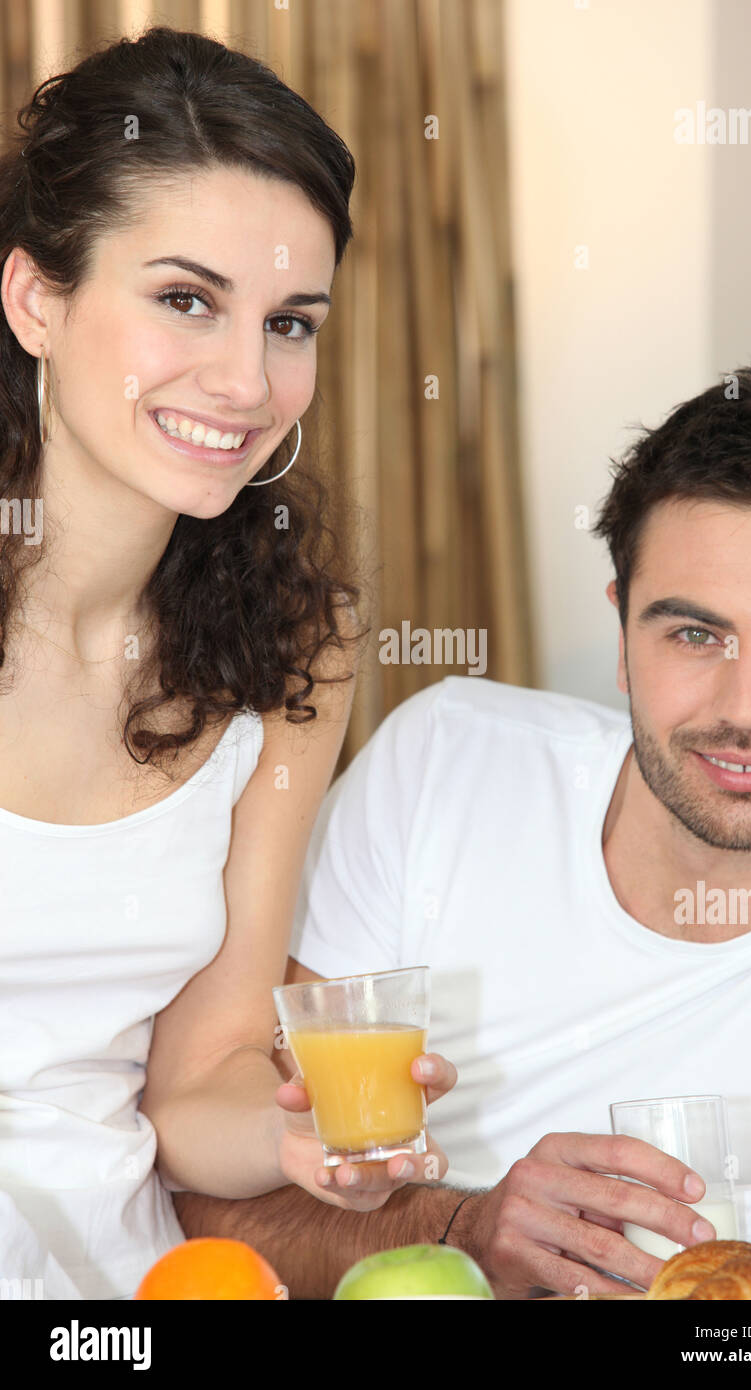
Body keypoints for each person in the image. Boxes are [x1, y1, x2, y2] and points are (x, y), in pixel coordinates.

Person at [174, 362, 751, 1299]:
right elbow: (211, 1208)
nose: (747, 709)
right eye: (694, 635)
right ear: (622, 635)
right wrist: (466, 1229)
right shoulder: (447, 766)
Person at [0, 25, 454, 1301]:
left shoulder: (296, 645)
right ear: (38, 297)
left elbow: (194, 1087)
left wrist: (295, 1136)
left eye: (290, 322)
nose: (248, 380)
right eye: (185, 300)